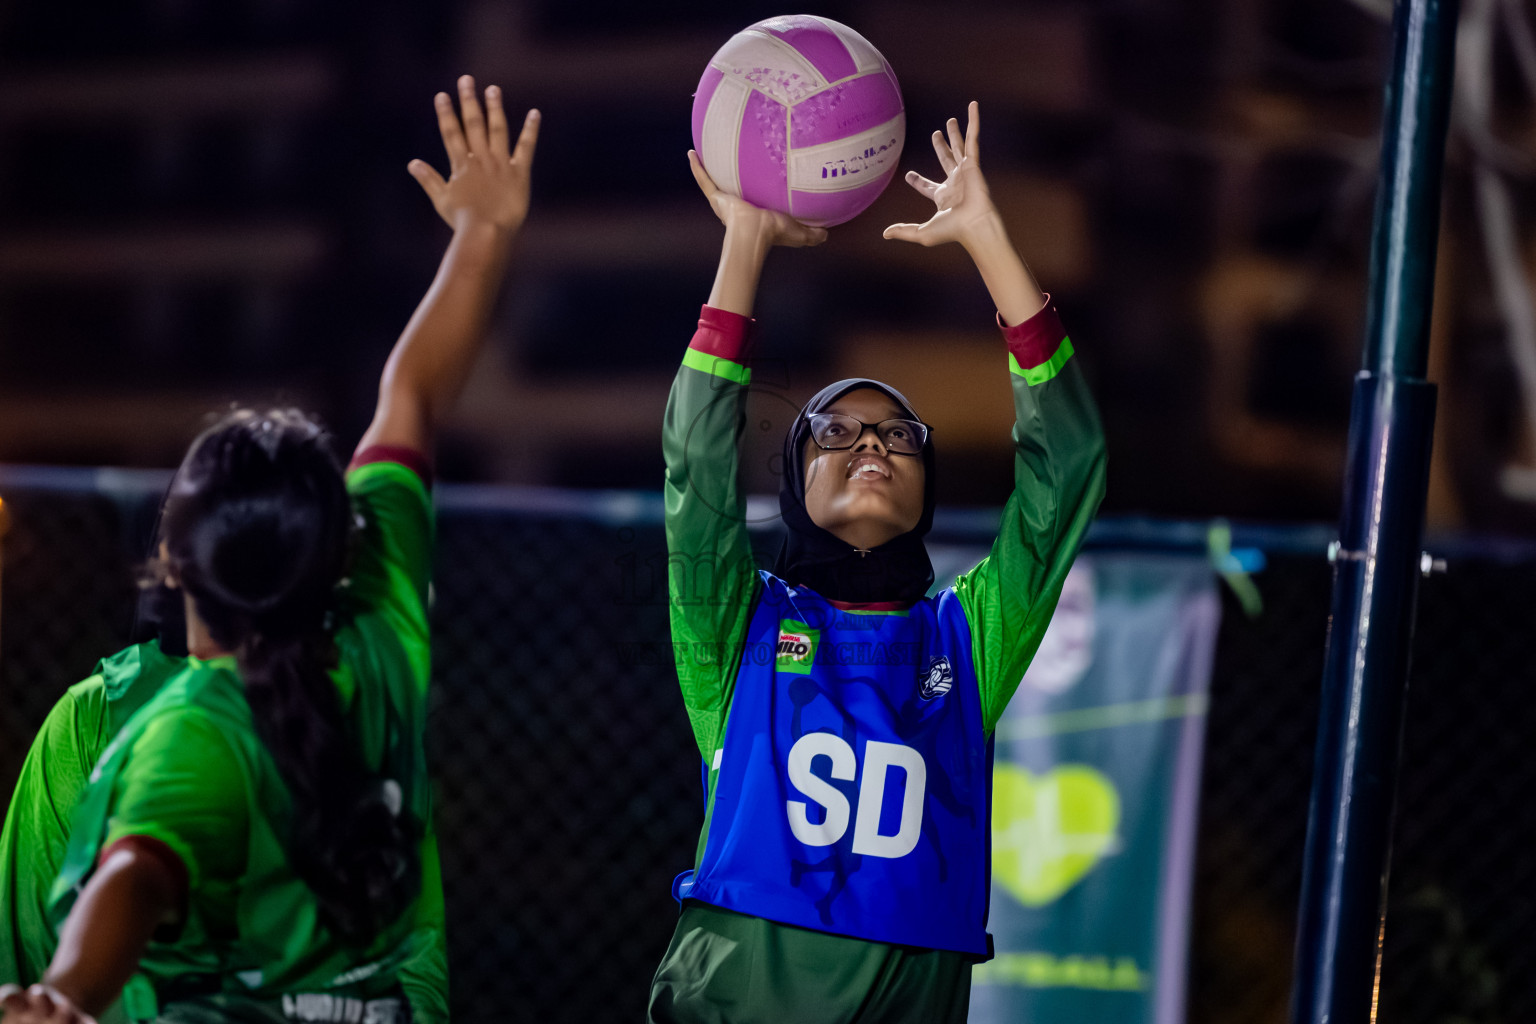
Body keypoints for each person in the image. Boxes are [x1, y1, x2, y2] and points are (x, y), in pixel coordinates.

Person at [0, 74, 538, 1024]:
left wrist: (64, 994)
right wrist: (484, 236)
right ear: (340, 548)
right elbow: (409, 394)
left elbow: (133, 875)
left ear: (170, 559)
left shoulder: (194, 729)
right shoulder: (378, 620)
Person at [648, 102, 1108, 1022]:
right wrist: (746, 240)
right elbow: (696, 468)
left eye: (899, 435)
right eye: (837, 432)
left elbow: (1069, 468)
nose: (871, 447)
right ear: (791, 477)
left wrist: (987, 240)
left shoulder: (966, 641)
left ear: (926, 488)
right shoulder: (737, 627)